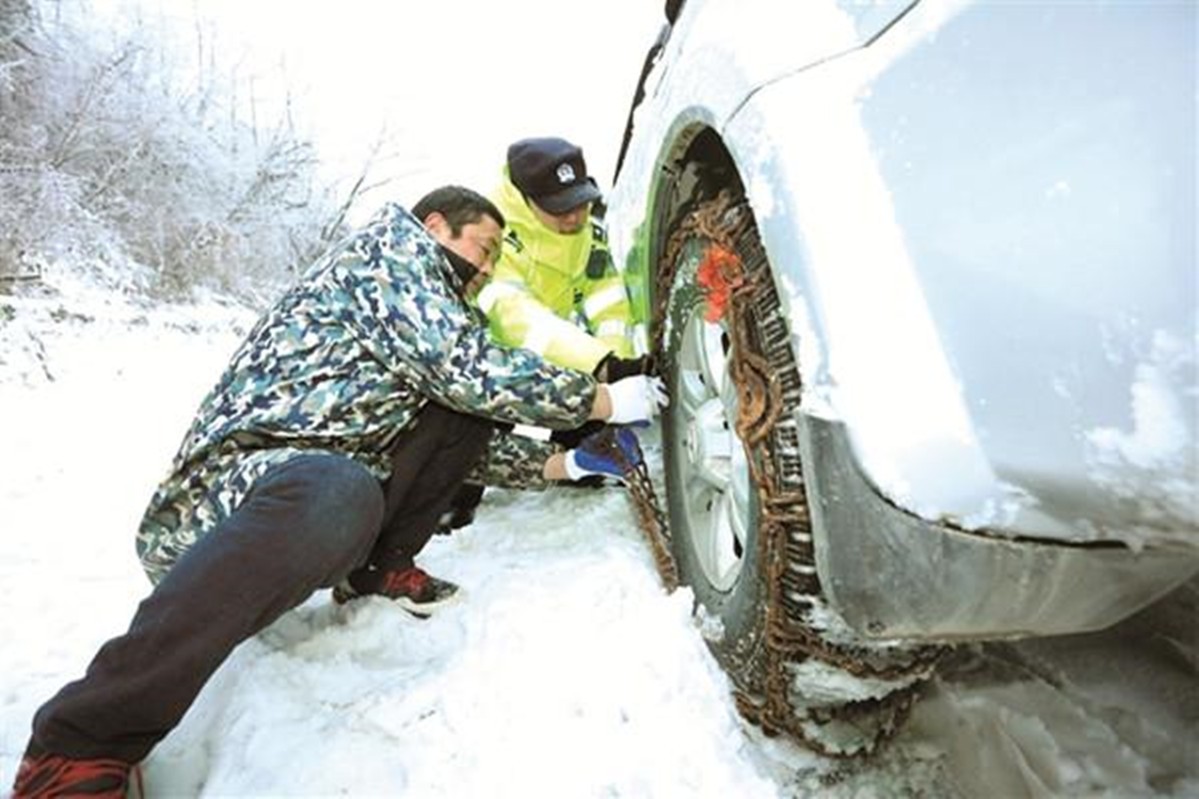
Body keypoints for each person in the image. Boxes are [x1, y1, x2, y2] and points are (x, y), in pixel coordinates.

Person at [11, 186, 666, 798]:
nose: (489, 268)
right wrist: (603, 396)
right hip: (233, 492)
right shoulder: (387, 259)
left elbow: (460, 426)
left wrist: (562, 464)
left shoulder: (432, 312)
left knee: (448, 419)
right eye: (483, 248)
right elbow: (464, 368)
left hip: (315, 490)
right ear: (435, 227)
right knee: (345, 482)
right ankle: (77, 741)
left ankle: (381, 567)